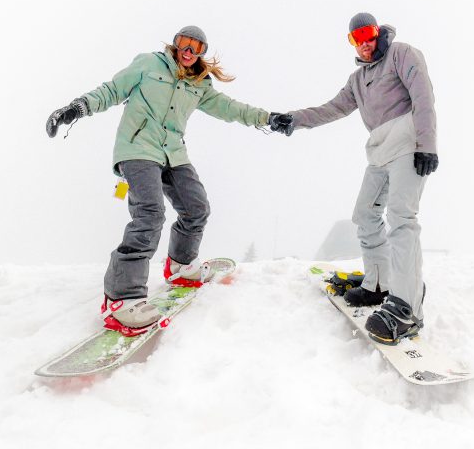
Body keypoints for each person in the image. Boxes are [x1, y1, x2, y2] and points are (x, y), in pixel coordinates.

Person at [46, 25, 292, 336]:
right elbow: (112, 90)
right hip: (137, 149)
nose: (189, 51)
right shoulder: (148, 64)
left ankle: (180, 264)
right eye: (183, 43)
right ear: (174, 44)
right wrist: (76, 108)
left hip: (173, 152)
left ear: (202, 52)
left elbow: (231, 109)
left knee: (197, 207)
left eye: (196, 47)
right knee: (150, 214)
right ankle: (121, 297)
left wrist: (268, 118)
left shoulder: (199, 84)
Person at [279, 12, 438, 344]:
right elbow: (332, 108)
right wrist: (294, 119)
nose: (364, 44)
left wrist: (427, 144)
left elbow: (423, 95)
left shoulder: (402, 54)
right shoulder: (358, 80)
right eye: (356, 39)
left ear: (379, 33)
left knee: (401, 218)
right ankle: (379, 283)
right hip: (379, 151)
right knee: (364, 215)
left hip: (409, 143)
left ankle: (407, 309)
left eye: (368, 34)